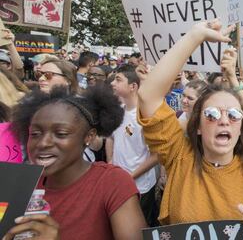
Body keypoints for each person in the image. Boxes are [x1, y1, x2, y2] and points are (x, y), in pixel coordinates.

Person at [137, 20, 243, 230]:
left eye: (233, 114)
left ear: (240, 128)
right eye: (211, 114)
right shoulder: (179, 156)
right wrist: (195, 36)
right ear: (198, 126)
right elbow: (148, 96)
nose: (223, 120)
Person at [5, 85, 147, 240]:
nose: (43, 143)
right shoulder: (17, 185)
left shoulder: (112, 182)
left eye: (61, 134)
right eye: (35, 134)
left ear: (89, 136)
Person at [108, 65, 159, 227]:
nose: (112, 84)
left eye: (118, 79)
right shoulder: (118, 111)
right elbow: (110, 138)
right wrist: (110, 162)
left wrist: (130, 176)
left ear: (133, 86)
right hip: (117, 183)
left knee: (139, 228)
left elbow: (157, 155)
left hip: (140, 187)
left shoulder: (146, 116)